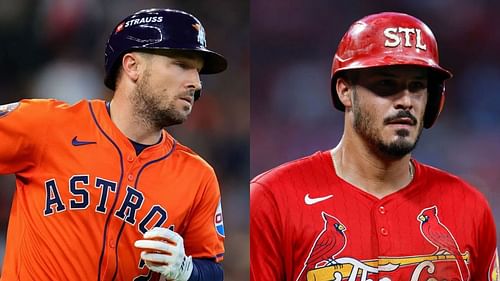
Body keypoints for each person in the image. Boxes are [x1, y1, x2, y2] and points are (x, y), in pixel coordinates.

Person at [250, 12, 499, 281]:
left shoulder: (469, 207)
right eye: (386, 85)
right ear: (345, 91)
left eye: (417, 87)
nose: (406, 101)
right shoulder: (272, 201)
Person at [0, 8, 227, 281]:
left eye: (198, 72)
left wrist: (187, 270)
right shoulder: (46, 125)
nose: (196, 83)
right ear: (132, 66)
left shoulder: (198, 177)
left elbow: (212, 270)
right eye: (181, 65)